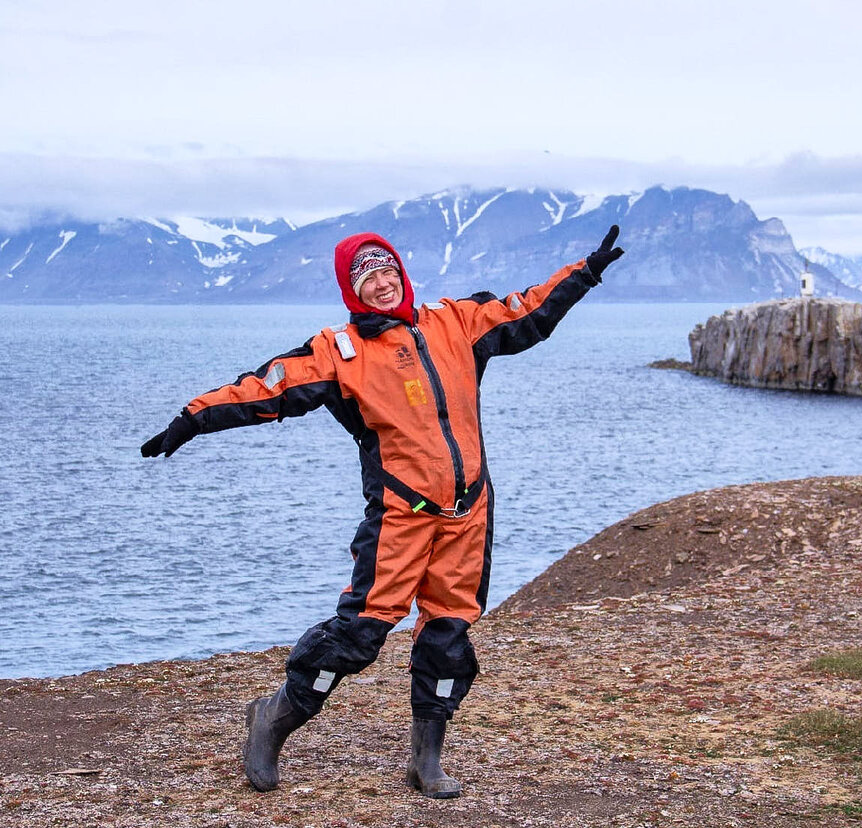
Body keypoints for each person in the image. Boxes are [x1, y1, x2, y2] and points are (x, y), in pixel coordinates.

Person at [141, 225, 625, 798]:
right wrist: (193, 419)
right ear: (351, 291)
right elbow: (267, 387)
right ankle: (271, 718)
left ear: (402, 273)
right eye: (365, 277)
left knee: (448, 633)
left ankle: (426, 759)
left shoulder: (455, 323)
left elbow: (527, 312)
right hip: (401, 515)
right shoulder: (339, 354)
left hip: (467, 511)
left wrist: (585, 272)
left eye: (386, 271)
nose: (380, 283)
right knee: (359, 635)